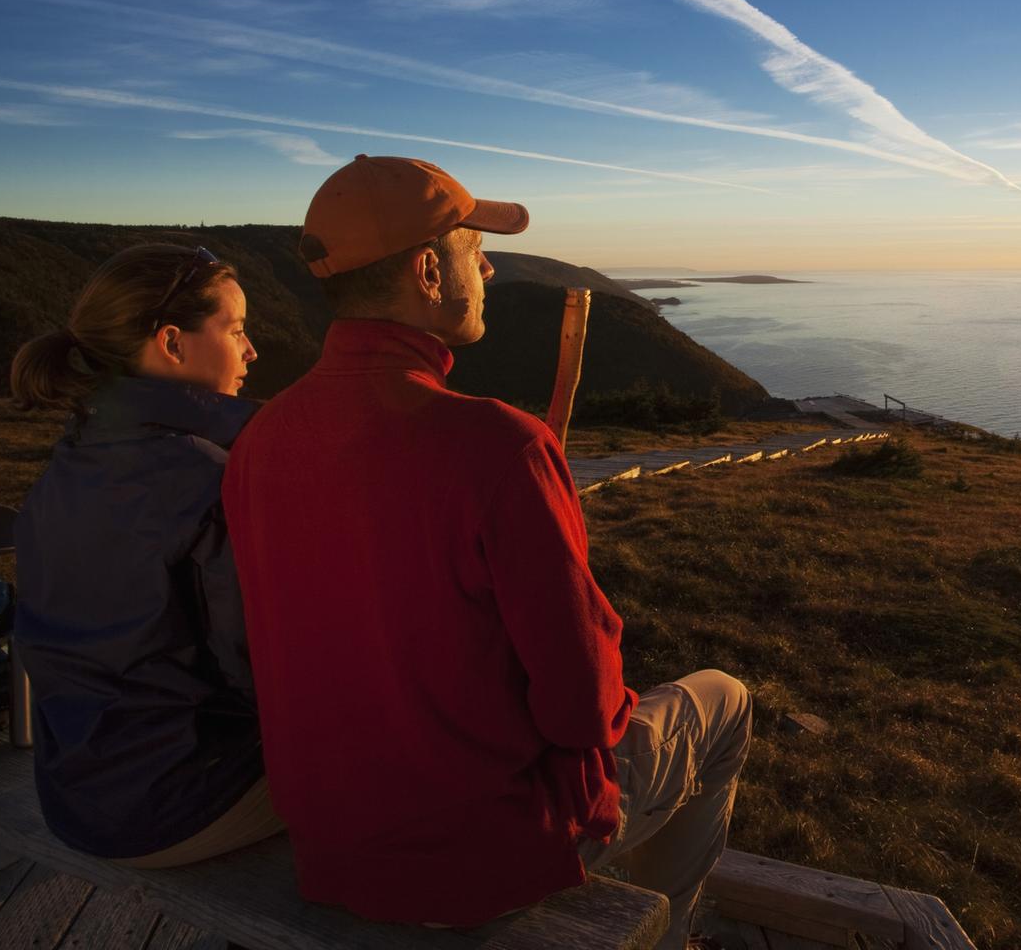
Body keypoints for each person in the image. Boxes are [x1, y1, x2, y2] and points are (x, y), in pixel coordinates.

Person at [223, 155, 750, 947]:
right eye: (477, 250)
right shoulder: (498, 446)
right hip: (481, 861)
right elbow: (584, 708)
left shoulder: (259, 440)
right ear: (431, 270)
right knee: (724, 700)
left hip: (332, 849)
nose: (491, 265)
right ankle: (670, 932)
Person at [10, 242, 278, 867]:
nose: (251, 350)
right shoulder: (205, 482)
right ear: (172, 343)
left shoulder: (75, 455)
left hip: (75, 790)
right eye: (236, 329)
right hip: (179, 803)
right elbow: (260, 676)